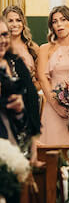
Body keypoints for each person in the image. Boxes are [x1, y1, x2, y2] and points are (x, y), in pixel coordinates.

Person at [38, 6, 69, 145]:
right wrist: (57, 106)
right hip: (54, 109)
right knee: (54, 154)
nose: (59, 24)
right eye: (54, 21)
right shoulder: (45, 49)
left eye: (63, 20)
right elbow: (42, 78)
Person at [0, 15, 40, 155]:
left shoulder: (16, 62)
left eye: (5, 35)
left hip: (18, 135)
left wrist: (34, 138)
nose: (2, 40)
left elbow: (32, 98)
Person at [3, 6, 39, 87]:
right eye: (10, 21)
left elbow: (40, 80)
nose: (15, 24)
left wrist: (27, 92)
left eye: (18, 20)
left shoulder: (33, 47)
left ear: (23, 23)